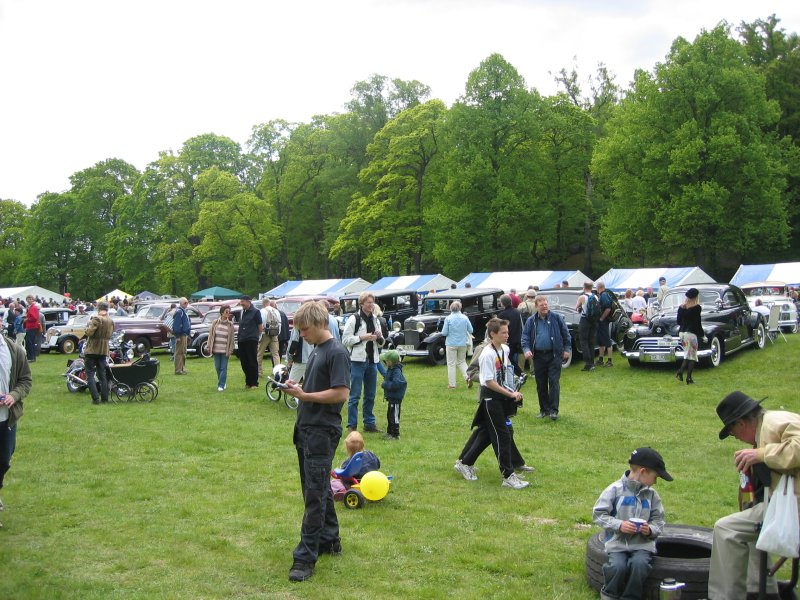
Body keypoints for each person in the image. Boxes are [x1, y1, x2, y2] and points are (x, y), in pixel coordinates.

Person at [708, 391, 800, 600]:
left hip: (792, 509)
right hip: (787, 505)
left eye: (733, 433)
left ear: (740, 424)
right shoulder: (769, 426)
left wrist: (760, 454)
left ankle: (725, 597)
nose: (736, 438)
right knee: (748, 527)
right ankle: (762, 591)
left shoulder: (774, 423)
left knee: (726, 529)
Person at [283, 300, 351, 583]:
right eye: (299, 330)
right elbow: (318, 387)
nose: (302, 334)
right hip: (307, 429)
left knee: (313, 494)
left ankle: (305, 558)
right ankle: (329, 539)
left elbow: (341, 393)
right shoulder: (318, 351)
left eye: (305, 329)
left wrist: (306, 397)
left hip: (322, 432)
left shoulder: (336, 352)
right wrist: (299, 389)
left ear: (321, 323)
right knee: (318, 487)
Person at [453, 318, 528, 490]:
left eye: (507, 332)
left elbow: (504, 373)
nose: (507, 335)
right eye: (503, 332)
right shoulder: (487, 354)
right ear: (492, 334)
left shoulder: (505, 349)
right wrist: (510, 393)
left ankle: (465, 463)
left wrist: (513, 389)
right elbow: (488, 381)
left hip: (501, 398)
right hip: (490, 399)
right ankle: (508, 476)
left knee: (489, 433)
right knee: (502, 436)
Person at [592, 447, 671, 600]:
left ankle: (631, 596)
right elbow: (598, 514)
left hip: (642, 545)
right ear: (643, 471)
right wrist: (619, 525)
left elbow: (659, 520)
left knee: (639, 565)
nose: (655, 482)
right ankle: (609, 595)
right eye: (655, 477)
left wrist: (650, 530)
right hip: (617, 543)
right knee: (617, 566)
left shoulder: (652, 495)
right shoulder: (615, 490)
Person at [0, 330, 33, 528]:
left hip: (7, 419)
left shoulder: (14, 350)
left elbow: (25, 380)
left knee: (4, 460)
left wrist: (14, 395)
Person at [522, 295, 571, 421]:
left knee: (554, 382)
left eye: (546, 304)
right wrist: (527, 350)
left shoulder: (557, 318)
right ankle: (544, 409)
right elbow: (525, 337)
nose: (544, 307)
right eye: (542, 305)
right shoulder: (531, 320)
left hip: (554, 355)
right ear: (536, 306)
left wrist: (567, 349)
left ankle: (554, 410)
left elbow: (566, 335)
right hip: (538, 356)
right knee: (541, 384)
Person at [342, 292, 382, 433]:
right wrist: (362, 337)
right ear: (361, 304)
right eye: (368, 302)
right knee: (355, 395)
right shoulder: (354, 319)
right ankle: (352, 426)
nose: (371, 305)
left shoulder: (376, 319)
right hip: (357, 361)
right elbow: (345, 340)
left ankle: (369, 424)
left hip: (372, 361)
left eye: (372, 302)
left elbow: (381, 342)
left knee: (370, 395)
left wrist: (379, 337)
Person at [84, 301, 114, 405]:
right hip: (103, 350)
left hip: (92, 349)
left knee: (90, 375)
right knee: (102, 375)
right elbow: (110, 335)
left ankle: (95, 399)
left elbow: (89, 332)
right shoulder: (110, 320)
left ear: (98, 308)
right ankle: (105, 398)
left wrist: (87, 327)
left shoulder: (96, 318)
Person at [441, 300, 473, 389]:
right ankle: (468, 377)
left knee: (451, 364)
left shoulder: (448, 318)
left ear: (451, 308)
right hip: (463, 343)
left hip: (451, 343)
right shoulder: (465, 318)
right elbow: (471, 330)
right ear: (460, 308)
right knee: (462, 361)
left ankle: (452, 384)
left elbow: (444, 333)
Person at [675, 288, 702, 384]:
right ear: (695, 296)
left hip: (682, 333)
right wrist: (702, 335)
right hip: (691, 334)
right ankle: (687, 377)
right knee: (692, 356)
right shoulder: (697, 308)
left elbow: (678, 321)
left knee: (687, 354)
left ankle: (681, 372)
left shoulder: (681, 307)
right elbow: (697, 323)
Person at [380, 350, 407, 440]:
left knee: (394, 416)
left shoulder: (397, 371)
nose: (385, 362)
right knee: (389, 415)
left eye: (386, 361)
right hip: (391, 398)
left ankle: (395, 434)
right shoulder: (391, 369)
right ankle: (390, 432)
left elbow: (396, 384)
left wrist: (385, 385)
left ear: (391, 361)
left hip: (395, 398)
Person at [238, 295, 262, 390]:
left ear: (248, 302)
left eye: (243, 301)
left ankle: (254, 383)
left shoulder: (256, 312)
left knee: (252, 361)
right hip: (242, 340)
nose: (241, 303)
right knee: (244, 362)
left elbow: (260, 327)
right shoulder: (242, 312)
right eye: (241, 301)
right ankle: (248, 382)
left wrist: (258, 339)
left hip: (251, 339)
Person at [208, 305, 234, 392]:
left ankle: (221, 385)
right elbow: (210, 335)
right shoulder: (215, 322)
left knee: (223, 368)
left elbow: (232, 339)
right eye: (226, 311)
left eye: (229, 312)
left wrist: (230, 350)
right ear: (222, 312)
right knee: (217, 367)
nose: (228, 313)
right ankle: (223, 381)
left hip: (225, 350)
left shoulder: (230, 325)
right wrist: (209, 346)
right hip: (215, 349)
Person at [497, 294, 524, 376]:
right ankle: (518, 372)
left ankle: (520, 373)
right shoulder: (517, 311)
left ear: (502, 303)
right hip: (518, 337)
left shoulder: (501, 315)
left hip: (509, 340)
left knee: (508, 358)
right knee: (514, 357)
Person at [575, 281, 598, 372]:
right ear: (592, 287)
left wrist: (580, 307)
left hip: (585, 320)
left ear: (584, 287)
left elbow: (576, 308)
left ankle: (588, 364)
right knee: (591, 341)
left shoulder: (582, 297)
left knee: (584, 341)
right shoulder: (595, 296)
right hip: (594, 321)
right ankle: (592, 362)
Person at [257, 299, 281, 377]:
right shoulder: (276, 311)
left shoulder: (262, 311)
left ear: (264, 304)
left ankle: (259, 371)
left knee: (260, 353)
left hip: (265, 334)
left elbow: (261, 323)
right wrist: (277, 333)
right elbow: (279, 323)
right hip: (274, 334)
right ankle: (278, 372)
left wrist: (260, 333)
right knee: (275, 354)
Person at [595, 281, 615, 368]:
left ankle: (610, 361)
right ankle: (600, 359)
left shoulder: (604, 295)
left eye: (596, 288)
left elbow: (608, 309)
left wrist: (601, 318)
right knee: (601, 341)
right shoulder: (605, 294)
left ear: (598, 287)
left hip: (604, 321)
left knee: (607, 340)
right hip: (602, 321)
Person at [172, 297, 191, 375]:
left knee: (183, 352)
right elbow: (176, 325)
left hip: (184, 334)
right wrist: (177, 336)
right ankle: (178, 370)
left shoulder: (184, 311)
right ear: (181, 303)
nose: (186, 304)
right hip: (181, 335)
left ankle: (182, 368)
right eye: (185, 303)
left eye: (187, 302)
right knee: (179, 352)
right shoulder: (179, 312)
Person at [23, 295, 40, 362]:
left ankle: (31, 357)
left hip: (31, 326)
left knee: (30, 342)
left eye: (31, 299)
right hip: (30, 326)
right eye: (28, 299)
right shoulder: (30, 307)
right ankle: (31, 357)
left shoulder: (33, 308)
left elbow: (34, 318)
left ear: (33, 300)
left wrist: (26, 319)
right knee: (30, 342)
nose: (29, 300)